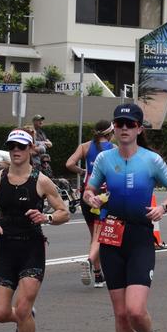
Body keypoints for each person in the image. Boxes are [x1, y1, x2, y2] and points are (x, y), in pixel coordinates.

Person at [82, 104, 167, 332]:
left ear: (139, 128)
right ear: (114, 128)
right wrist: (92, 199)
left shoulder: (152, 160)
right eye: (119, 123)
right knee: (121, 314)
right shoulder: (103, 158)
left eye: (130, 123)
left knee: (136, 310)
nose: (124, 128)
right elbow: (89, 190)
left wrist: (162, 207)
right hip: (112, 236)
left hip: (139, 237)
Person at [0, 129, 69, 332]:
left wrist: (47, 217)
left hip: (32, 248)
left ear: (31, 149)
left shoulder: (41, 181)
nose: (16, 151)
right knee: (0, 313)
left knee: (21, 306)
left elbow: (63, 211)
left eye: (21, 146)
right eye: (12, 146)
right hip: (5, 250)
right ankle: (25, 318)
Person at [66, 119, 114, 287]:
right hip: (103, 197)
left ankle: (98, 275)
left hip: (86, 195)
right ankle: (89, 260)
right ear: (109, 133)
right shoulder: (114, 150)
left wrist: (82, 171)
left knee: (94, 235)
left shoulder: (85, 146)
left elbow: (69, 163)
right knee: (100, 236)